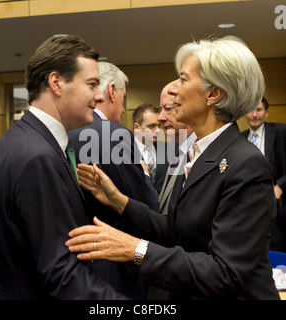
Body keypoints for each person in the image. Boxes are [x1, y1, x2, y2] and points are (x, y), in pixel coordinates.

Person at [66, 36, 280, 300]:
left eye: (183, 79)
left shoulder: (247, 165)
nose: (174, 89)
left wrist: (134, 248)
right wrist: (119, 201)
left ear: (213, 94)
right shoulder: (196, 154)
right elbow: (175, 232)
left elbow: (226, 274)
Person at [0, 35, 128, 300]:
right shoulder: (38, 156)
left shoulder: (19, 138)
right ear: (57, 83)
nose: (98, 95)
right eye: (92, 84)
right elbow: (61, 272)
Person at [68, 62, 159, 299]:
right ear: (111, 92)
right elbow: (147, 208)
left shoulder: (67, 131)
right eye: (123, 97)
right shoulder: (113, 134)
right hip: (116, 265)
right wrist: (145, 173)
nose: (123, 108)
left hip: (75, 261)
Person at [242, 97, 286, 252]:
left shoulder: (281, 132)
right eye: (251, 110)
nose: (254, 115)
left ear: (267, 113)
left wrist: (280, 186)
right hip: (247, 208)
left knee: (275, 252)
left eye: (259, 110)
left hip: (275, 209)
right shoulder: (240, 138)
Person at [158, 82, 196, 216]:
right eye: (160, 109)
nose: (160, 117)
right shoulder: (179, 152)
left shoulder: (198, 154)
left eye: (168, 108)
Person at [133, 103, 169, 194]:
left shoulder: (169, 150)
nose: (157, 130)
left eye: (159, 126)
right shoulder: (124, 151)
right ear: (137, 127)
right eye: (152, 126)